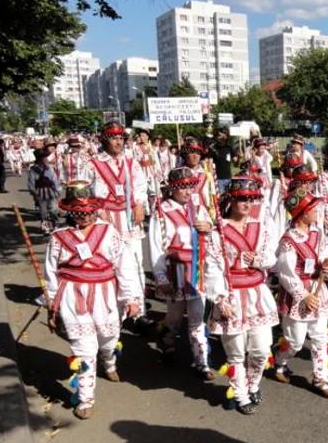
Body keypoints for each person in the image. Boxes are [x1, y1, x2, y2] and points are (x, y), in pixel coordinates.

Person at [44, 181, 140, 419]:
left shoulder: (109, 231)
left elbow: (124, 265)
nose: (84, 216)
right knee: (84, 348)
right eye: (78, 212)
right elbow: (50, 273)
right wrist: (52, 305)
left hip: (105, 294)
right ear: (69, 210)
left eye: (88, 211)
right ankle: (86, 398)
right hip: (72, 296)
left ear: (95, 209)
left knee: (108, 338)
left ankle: (108, 361)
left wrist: (131, 297)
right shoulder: (59, 237)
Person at [207, 177, 279, 414]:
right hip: (231, 294)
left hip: (257, 293)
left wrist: (258, 260)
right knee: (235, 351)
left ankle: (253, 384)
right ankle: (239, 394)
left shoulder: (262, 226)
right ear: (231, 200)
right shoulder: (219, 230)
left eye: (251, 199)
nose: (247, 203)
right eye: (241, 199)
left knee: (261, 348)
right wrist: (220, 298)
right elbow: (212, 266)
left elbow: (271, 256)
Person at [149, 167, 217, 380]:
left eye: (190, 186)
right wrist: (160, 277)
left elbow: (213, 237)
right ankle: (167, 342)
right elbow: (156, 246)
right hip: (174, 270)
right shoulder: (161, 211)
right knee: (175, 317)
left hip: (197, 270)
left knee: (197, 318)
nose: (188, 191)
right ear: (172, 189)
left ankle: (202, 362)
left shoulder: (198, 208)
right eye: (182, 187)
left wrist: (209, 226)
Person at [273, 187, 328, 398]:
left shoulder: (317, 233)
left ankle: (321, 379)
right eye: (313, 208)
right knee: (295, 341)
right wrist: (303, 295)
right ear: (303, 213)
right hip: (298, 296)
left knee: (321, 337)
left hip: (317, 291)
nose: (318, 211)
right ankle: (279, 361)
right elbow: (285, 273)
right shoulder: (288, 242)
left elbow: (324, 256)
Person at [88, 121, 153, 330]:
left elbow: (141, 185)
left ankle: (138, 311)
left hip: (129, 219)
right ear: (105, 140)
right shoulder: (92, 163)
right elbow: (84, 193)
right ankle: (114, 310)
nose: (117, 142)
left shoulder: (130, 161)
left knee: (136, 263)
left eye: (120, 138)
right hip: (105, 220)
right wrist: (97, 211)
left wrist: (140, 204)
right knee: (110, 265)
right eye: (113, 138)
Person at [27, 149, 61, 233]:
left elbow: (54, 179)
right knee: (43, 211)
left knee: (53, 209)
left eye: (45, 157)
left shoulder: (50, 168)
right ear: (39, 159)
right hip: (40, 192)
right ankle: (46, 227)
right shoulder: (33, 169)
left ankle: (55, 223)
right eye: (43, 158)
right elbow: (31, 181)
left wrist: (58, 189)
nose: (45, 159)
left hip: (51, 191)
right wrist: (33, 191)